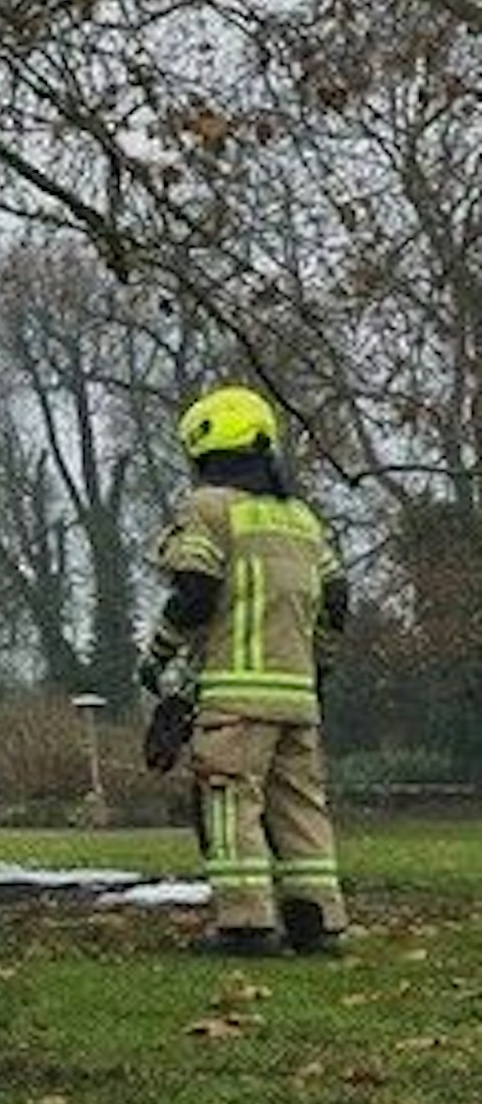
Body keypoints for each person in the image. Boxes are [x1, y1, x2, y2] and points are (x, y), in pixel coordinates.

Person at [138, 385, 350, 957]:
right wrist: (318, 669)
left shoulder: (208, 510)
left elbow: (195, 590)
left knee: (231, 803)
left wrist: (157, 656)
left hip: (234, 698)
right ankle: (319, 922)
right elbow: (337, 598)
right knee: (301, 808)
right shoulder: (302, 521)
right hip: (298, 699)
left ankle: (247, 924)